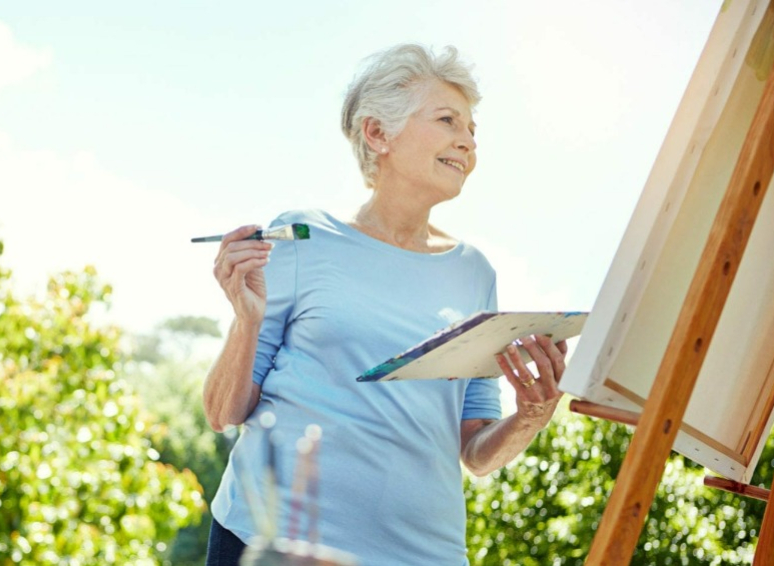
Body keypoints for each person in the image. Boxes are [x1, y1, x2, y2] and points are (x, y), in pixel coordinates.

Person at [203, 44, 569, 566]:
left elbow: (476, 452)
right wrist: (247, 320)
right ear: (378, 134)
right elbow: (223, 413)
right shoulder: (303, 238)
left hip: (423, 555)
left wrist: (532, 415)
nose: (466, 142)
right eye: (448, 121)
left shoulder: (474, 273)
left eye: (472, 130)